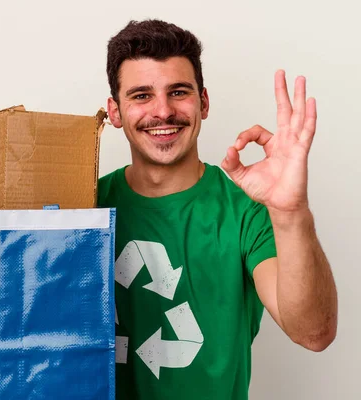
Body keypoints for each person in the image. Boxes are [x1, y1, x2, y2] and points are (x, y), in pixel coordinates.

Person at [97, 19, 338, 400]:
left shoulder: (247, 209)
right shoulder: (85, 209)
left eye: (178, 92)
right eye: (141, 95)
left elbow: (313, 333)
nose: (163, 111)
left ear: (204, 102)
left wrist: (291, 212)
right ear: (114, 111)